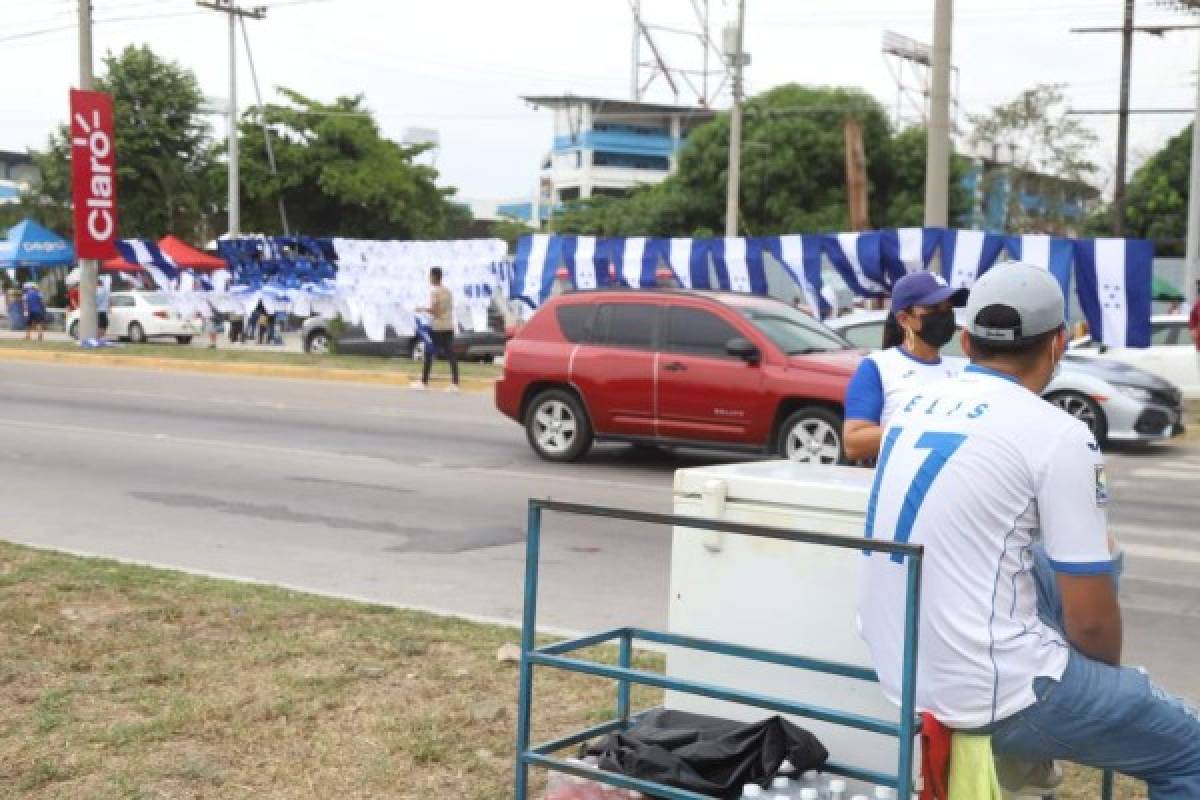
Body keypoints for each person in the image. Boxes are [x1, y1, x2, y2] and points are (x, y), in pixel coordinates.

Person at [858, 261, 1200, 797]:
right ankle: (1046, 723)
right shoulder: (1058, 433)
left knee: (1081, 552)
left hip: (899, 667)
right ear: (1059, 343)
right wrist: (1102, 690)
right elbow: (1091, 622)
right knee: (1191, 751)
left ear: (966, 342)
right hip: (987, 690)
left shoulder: (909, 408)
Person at [842, 271, 969, 462]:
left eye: (948, 308)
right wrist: (924, 426)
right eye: (934, 308)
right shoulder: (878, 367)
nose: (944, 316)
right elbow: (853, 443)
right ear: (904, 319)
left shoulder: (963, 369)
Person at [410, 266, 459, 392]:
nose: (429, 278)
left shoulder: (435, 292)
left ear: (434, 277)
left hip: (437, 328)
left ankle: (424, 382)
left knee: (428, 354)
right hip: (449, 326)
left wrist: (421, 309)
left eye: (430, 276)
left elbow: (435, 311)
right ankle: (455, 383)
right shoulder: (448, 291)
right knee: (451, 355)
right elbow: (448, 308)